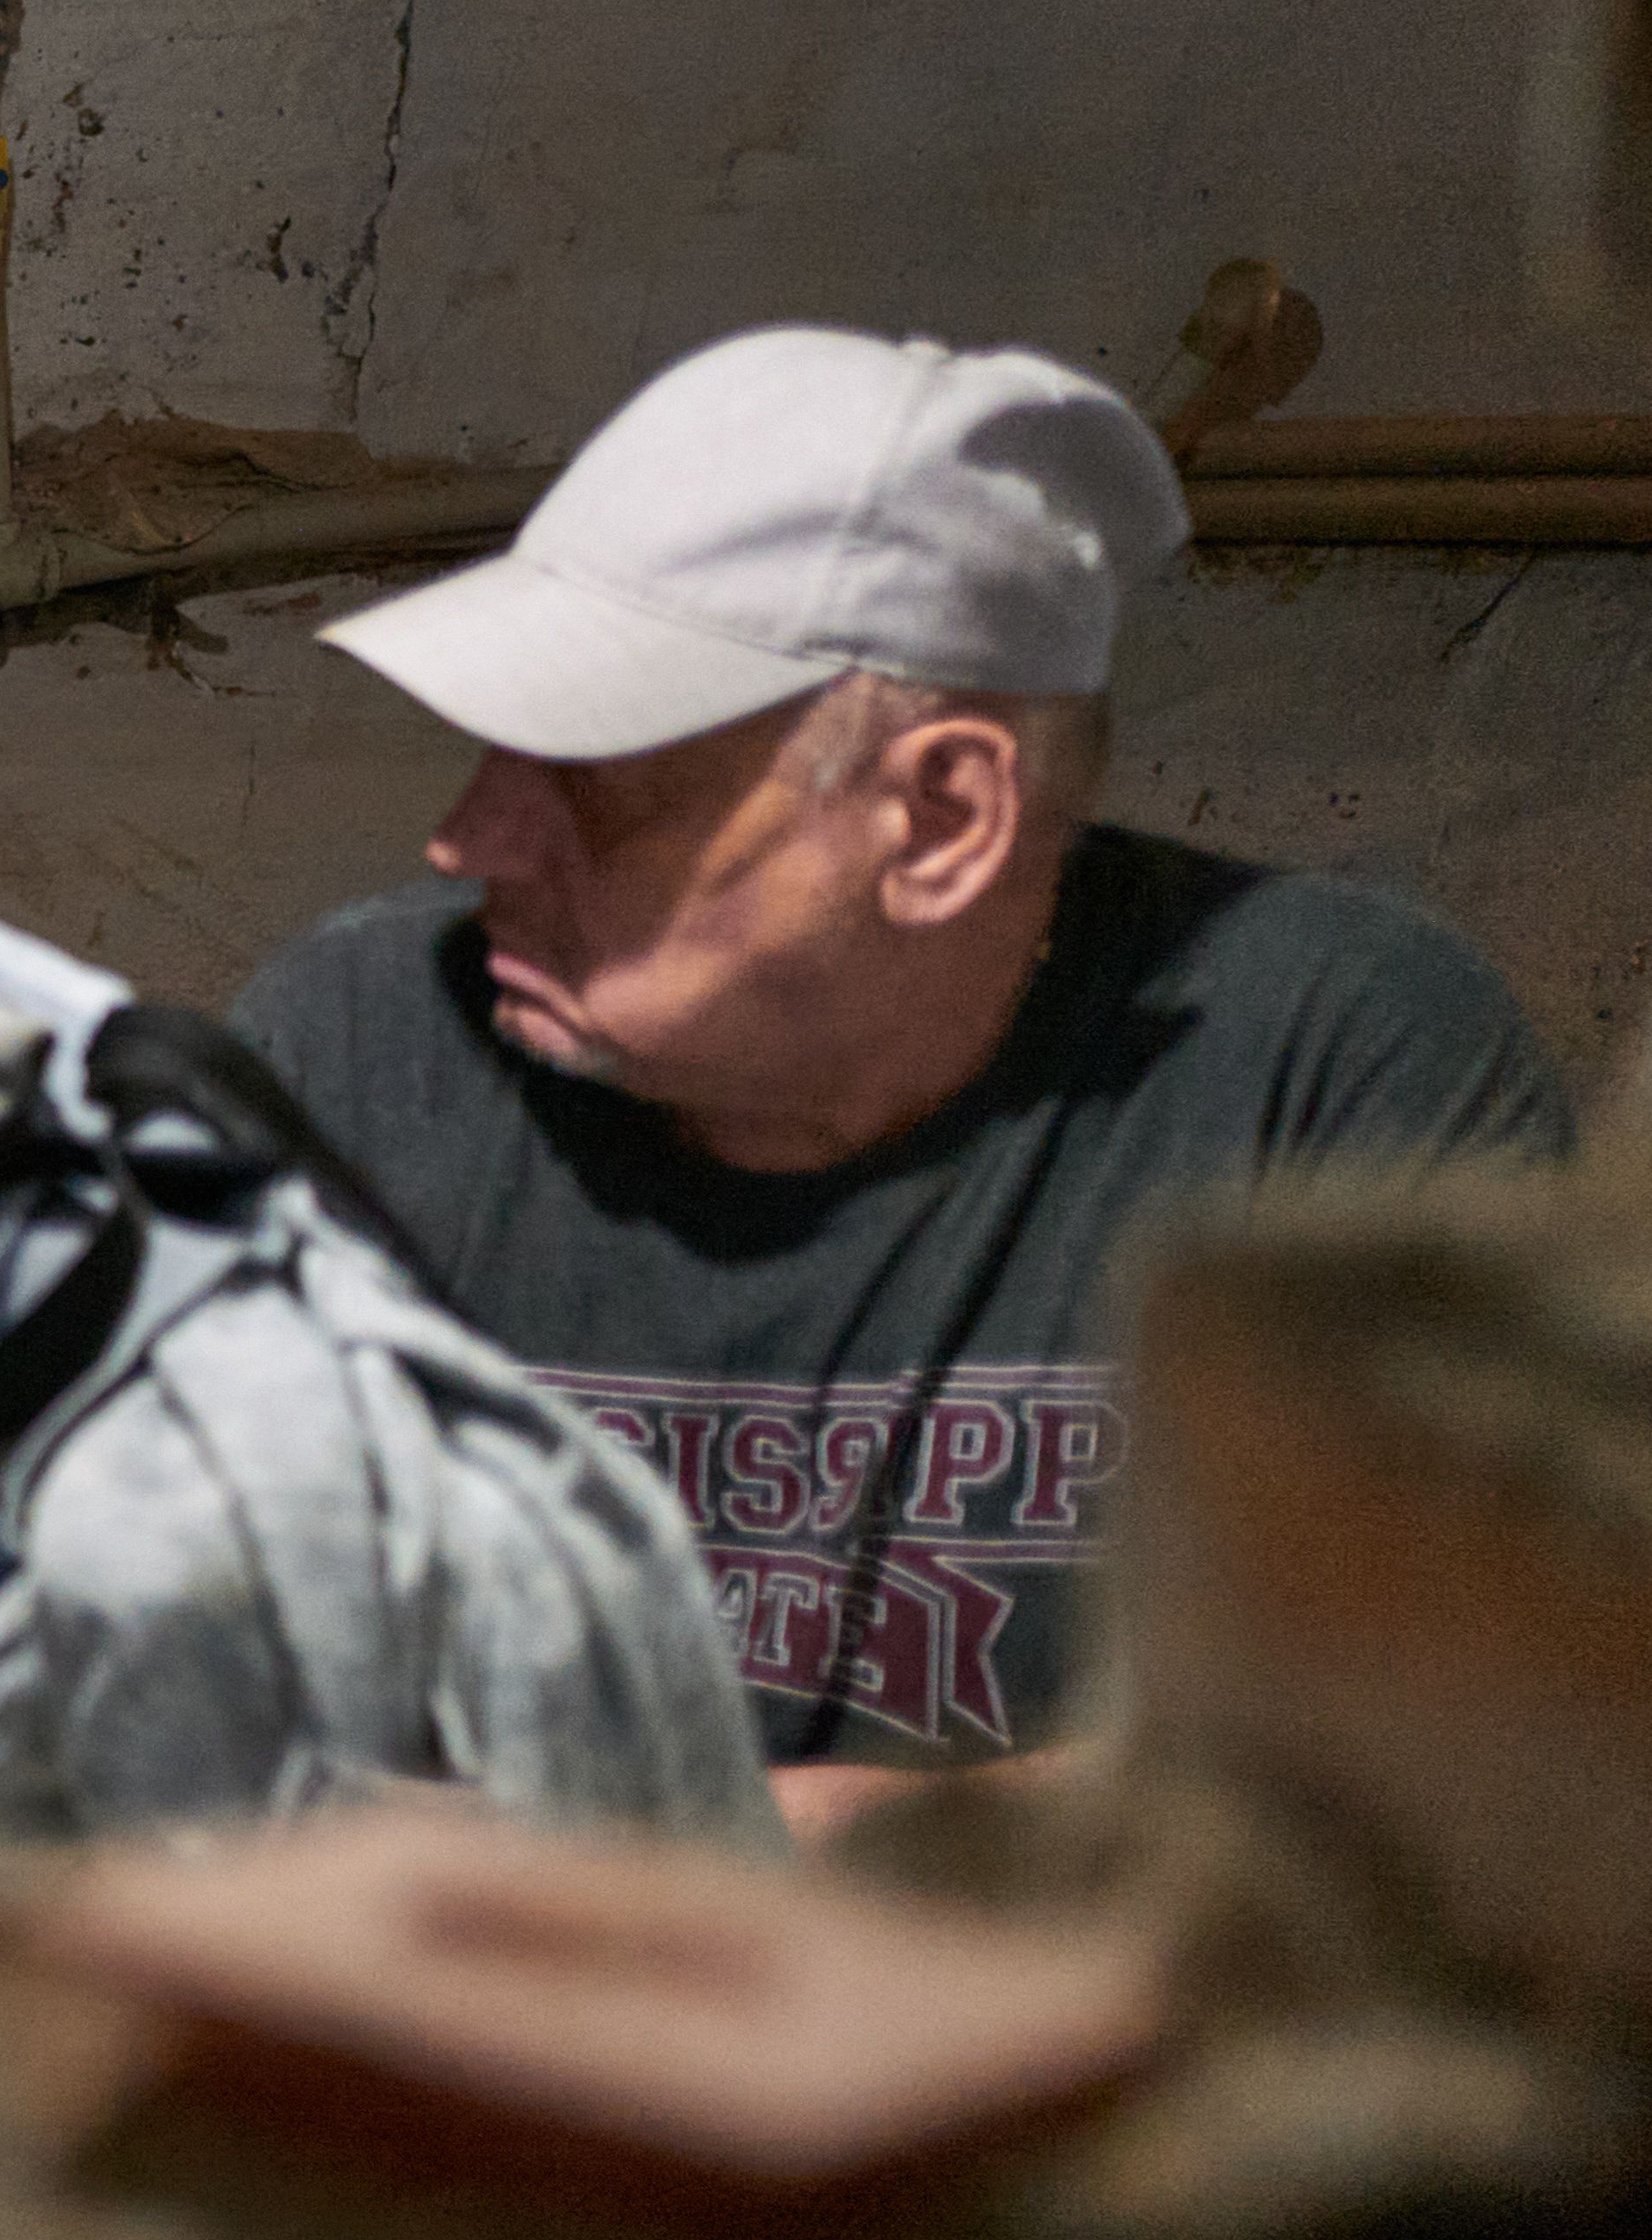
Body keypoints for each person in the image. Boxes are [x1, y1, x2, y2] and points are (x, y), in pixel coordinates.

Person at [236, 322, 1580, 1813]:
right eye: (491, 754)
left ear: (943, 819)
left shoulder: (1330, 1073)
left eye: (594, 789)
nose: (468, 840)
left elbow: (1445, 1761)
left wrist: (664, 1859)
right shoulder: (355, 1050)